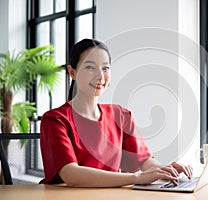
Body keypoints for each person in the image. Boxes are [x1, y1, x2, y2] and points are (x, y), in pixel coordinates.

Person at [39, 38, 192, 187]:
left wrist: (163, 170)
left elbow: (144, 161)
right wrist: (136, 178)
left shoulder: (121, 115)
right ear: (72, 72)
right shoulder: (55, 120)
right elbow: (71, 174)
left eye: (105, 68)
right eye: (90, 67)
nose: (100, 75)